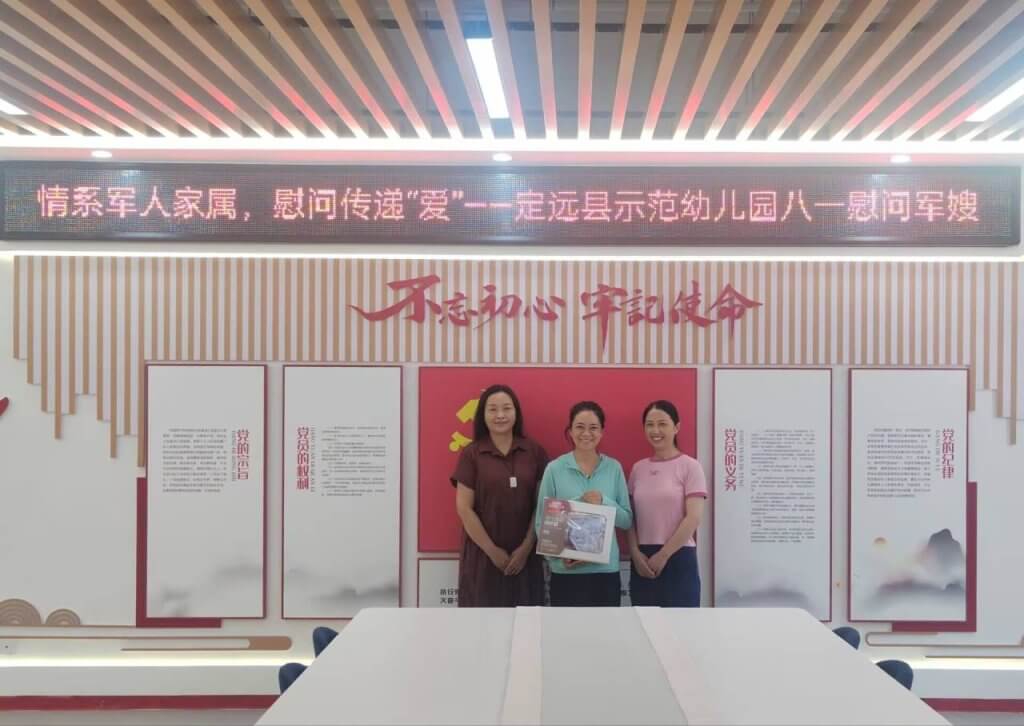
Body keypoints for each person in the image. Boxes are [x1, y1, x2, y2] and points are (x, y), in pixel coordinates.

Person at [451, 384, 548, 607]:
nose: (500, 415)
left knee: (526, 620)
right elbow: (464, 508)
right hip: (483, 558)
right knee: (482, 622)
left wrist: (526, 548)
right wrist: (492, 551)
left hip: (526, 557)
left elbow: (543, 505)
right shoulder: (472, 454)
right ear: (483, 415)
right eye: (493, 409)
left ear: (516, 412)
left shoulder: (534, 452)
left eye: (507, 408)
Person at [534, 401, 632, 607]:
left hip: (605, 573)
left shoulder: (614, 468)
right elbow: (542, 523)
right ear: (570, 431)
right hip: (566, 572)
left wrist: (604, 501)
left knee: (606, 628)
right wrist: (558, 559)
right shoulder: (554, 469)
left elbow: (626, 520)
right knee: (566, 628)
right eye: (579, 427)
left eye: (593, 427)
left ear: (602, 432)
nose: (586, 433)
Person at [627, 400, 707, 608]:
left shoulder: (690, 466)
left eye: (662, 424)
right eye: (650, 424)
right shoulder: (638, 469)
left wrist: (663, 555)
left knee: (682, 625)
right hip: (643, 560)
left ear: (676, 427)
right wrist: (634, 553)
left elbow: (693, 518)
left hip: (678, 556)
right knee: (643, 624)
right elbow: (629, 517)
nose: (655, 430)